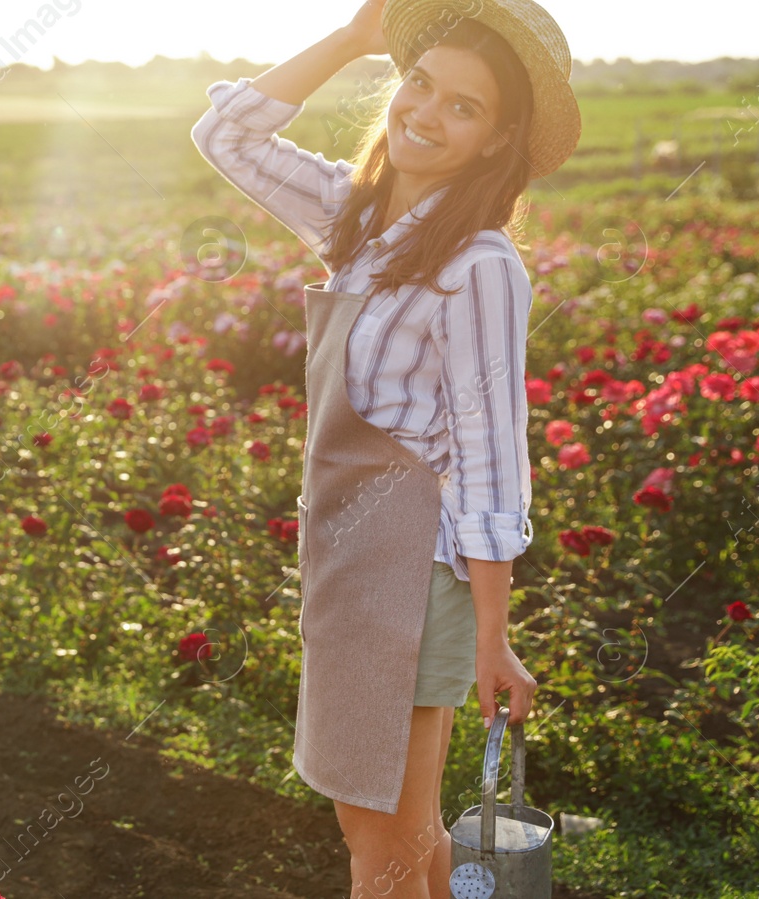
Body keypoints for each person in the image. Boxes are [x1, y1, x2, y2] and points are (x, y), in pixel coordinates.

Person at [190, 0, 581, 896]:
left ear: (497, 141)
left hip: (412, 576)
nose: (425, 113)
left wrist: (493, 636)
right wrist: (352, 39)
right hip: (345, 560)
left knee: (382, 843)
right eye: (420, 83)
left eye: (463, 107)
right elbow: (226, 134)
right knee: (395, 833)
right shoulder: (353, 223)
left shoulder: (479, 265)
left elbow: (490, 456)